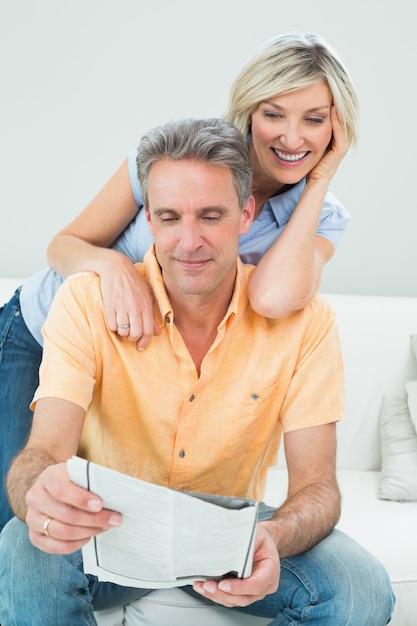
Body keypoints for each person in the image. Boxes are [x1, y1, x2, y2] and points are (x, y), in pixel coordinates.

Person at [0, 118, 394, 625]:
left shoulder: (306, 322)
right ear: (148, 218)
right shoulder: (85, 300)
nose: (189, 242)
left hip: (227, 536)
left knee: (361, 587)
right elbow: (42, 453)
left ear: (246, 213)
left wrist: (272, 537)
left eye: (211, 216)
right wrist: (39, 491)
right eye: (169, 217)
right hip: (109, 526)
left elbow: (317, 488)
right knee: (20, 544)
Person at [0, 31, 358, 529]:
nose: (292, 138)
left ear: (338, 128)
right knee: (19, 517)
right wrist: (113, 268)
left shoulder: (322, 218)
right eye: (274, 114)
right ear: (250, 110)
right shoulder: (176, 160)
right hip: (39, 331)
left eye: (314, 120)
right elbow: (63, 246)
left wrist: (320, 181)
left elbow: (273, 298)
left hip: (123, 353)